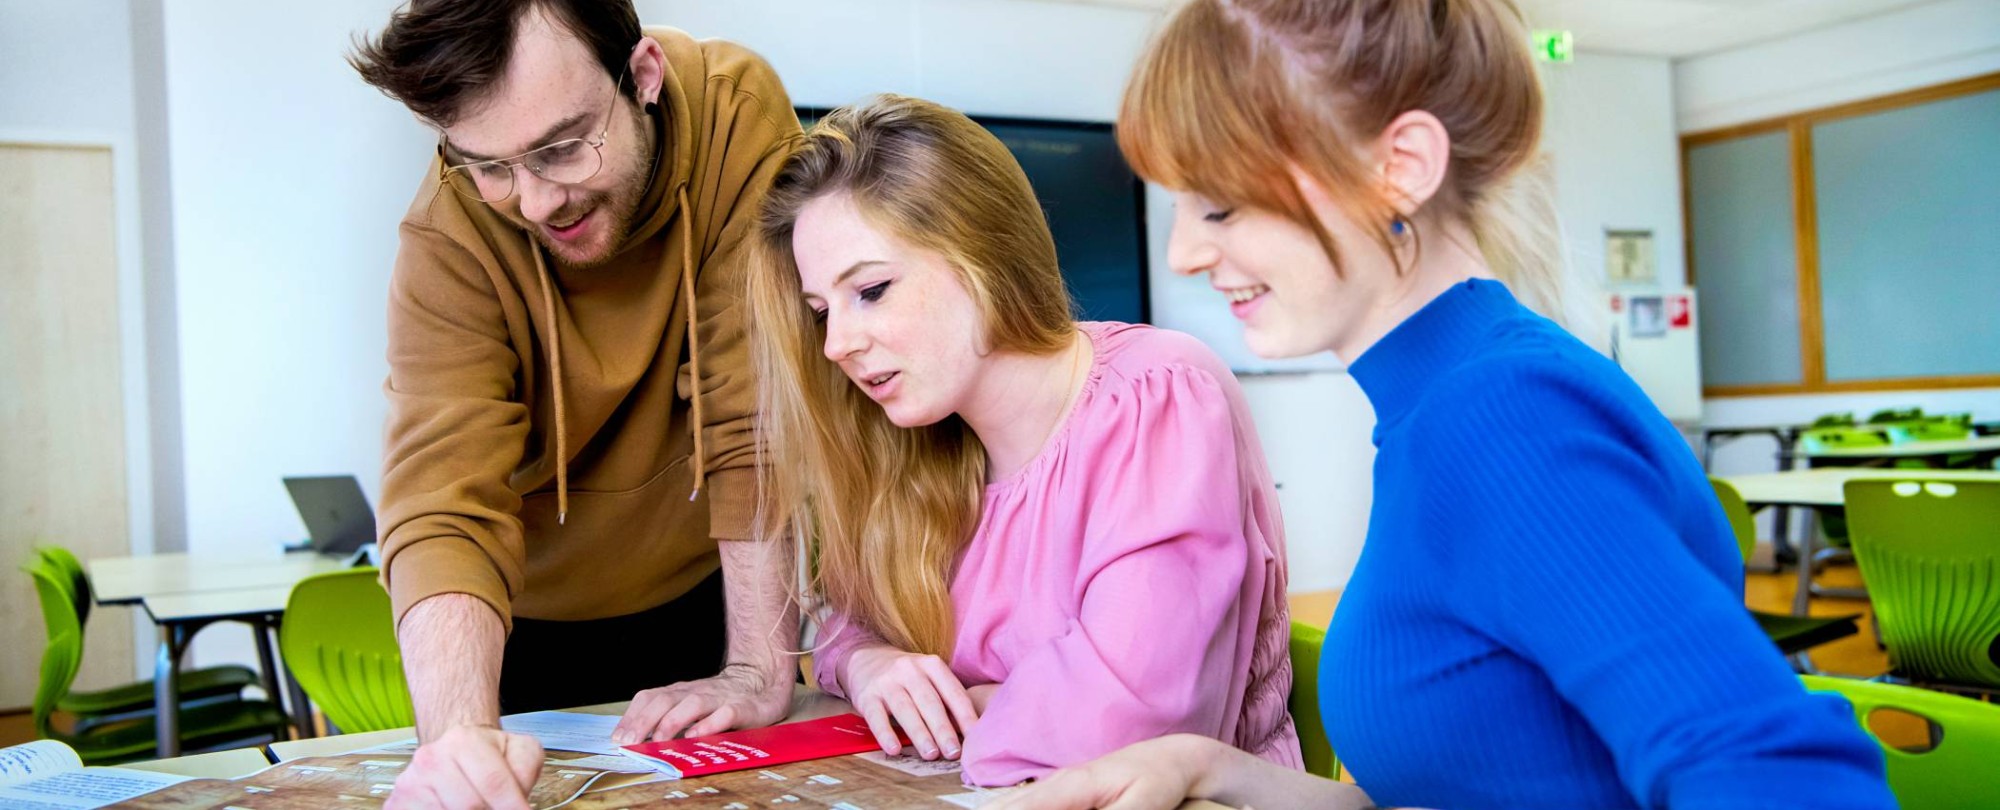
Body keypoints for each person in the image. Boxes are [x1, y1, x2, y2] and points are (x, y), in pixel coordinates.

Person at [993, 1, 1896, 808]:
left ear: (1403, 167)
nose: (1185, 250)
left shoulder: (1506, 417)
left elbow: (1780, 774)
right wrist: (1208, 768)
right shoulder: (1439, 403)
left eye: (1220, 206)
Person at [744, 95, 1301, 788]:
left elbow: (1132, 730)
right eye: (821, 311)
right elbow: (843, 627)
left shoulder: (1161, 394)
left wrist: (972, 708)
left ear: (983, 251)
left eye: (874, 290)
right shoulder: (919, 439)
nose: (836, 345)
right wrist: (872, 665)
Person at [348, 1, 803, 806]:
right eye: (489, 165)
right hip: (528, 620)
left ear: (643, 77)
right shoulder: (447, 234)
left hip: (710, 596)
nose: (533, 203)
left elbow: (755, 413)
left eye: (561, 149)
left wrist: (761, 670)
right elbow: (440, 504)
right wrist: (457, 740)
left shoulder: (738, 113)